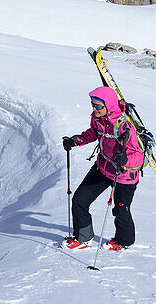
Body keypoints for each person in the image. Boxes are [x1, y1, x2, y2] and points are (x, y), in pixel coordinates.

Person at [60, 86, 145, 252]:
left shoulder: (124, 126)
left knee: (121, 209)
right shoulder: (98, 118)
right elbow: (94, 133)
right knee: (79, 200)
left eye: (98, 106)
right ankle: (83, 238)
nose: (94, 109)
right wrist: (76, 140)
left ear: (109, 105)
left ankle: (124, 241)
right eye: (92, 104)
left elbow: (139, 156)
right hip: (103, 166)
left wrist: (125, 160)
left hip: (124, 174)